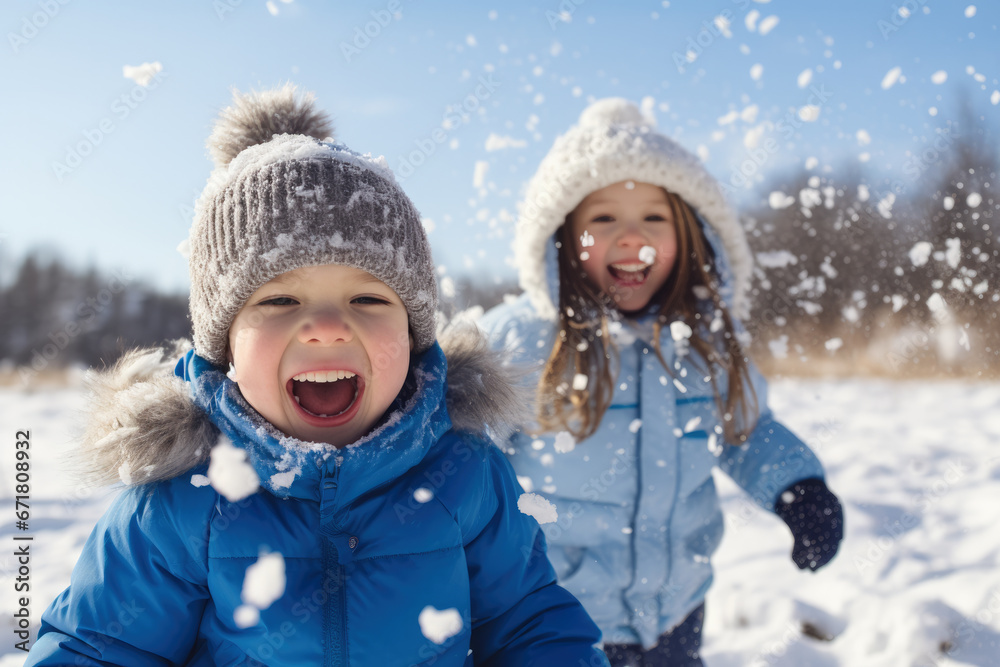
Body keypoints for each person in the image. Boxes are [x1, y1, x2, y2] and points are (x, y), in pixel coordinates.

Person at [26, 85, 610, 667]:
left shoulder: (466, 472)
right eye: (279, 300)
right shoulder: (183, 499)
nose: (327, 327)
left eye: (367, 298)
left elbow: (530, 622)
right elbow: (97, 648)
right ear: (224, 343)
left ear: (413, 334)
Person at [480, 98, 844, 666]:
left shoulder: (708, 342)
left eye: (654, 217)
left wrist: (798, 488)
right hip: (555, 620)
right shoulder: (521, 343)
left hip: (678, 611)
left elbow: (746, 432)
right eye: (602, 219)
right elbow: (463, 460)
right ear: (561, 239)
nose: (631, 237)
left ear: (691, 236)